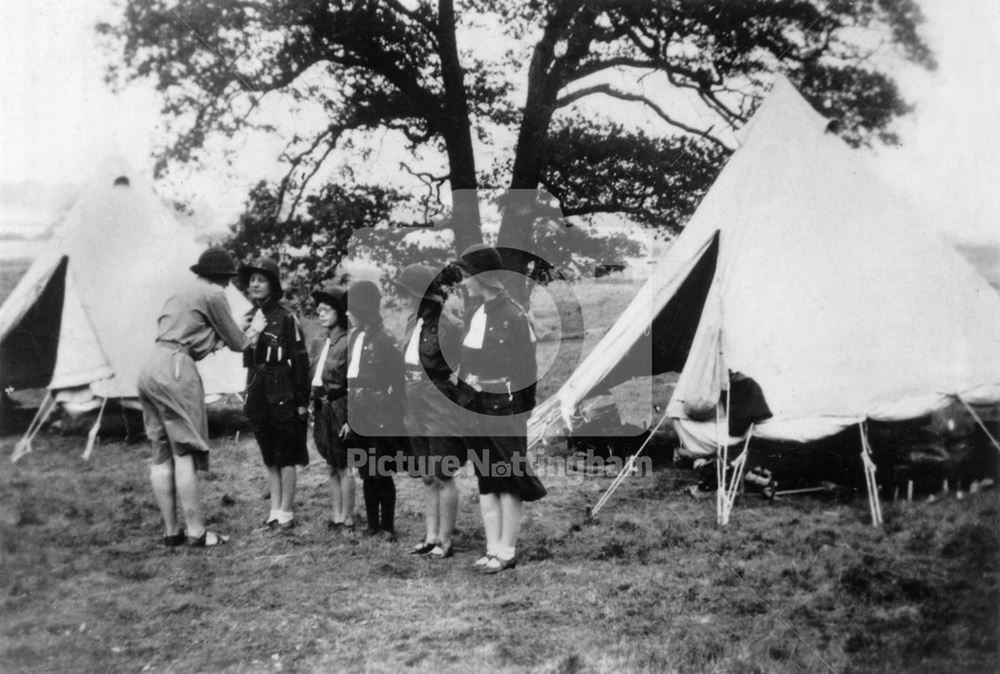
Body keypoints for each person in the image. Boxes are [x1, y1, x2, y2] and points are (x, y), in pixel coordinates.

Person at [137, 247, 255, 547]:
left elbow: (196, 339)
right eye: (229, 279)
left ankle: (171, 531)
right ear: (223, 277)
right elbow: (239, 344)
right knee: (185, 450)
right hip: (177, 367)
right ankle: (196, 531)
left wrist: (223, 336)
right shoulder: (215, 294)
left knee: (160, 452)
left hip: (151, 364)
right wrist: (250, 332)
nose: (229, 285)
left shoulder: (182, 292)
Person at [455, 244, 547, 574]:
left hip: (505, 408)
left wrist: (521, 413)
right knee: (486, 478)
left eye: (466, 276)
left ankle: (507, 550)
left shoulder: (515, 318)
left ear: (483, 277)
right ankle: (492, 547)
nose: (463, 282)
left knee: (508, 478)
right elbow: (465, 365)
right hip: (476, 408)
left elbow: (528, 373)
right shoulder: (474, 314)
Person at [394, 264, 465, 559]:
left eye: (410, 293)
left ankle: (445, 540)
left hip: (438, 397)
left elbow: (459, 362)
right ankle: (431, 535)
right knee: (426, 473)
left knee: (442, 473)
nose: (406, 299)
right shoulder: (413, 321)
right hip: (413, 399)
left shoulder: (449, 323)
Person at [240, 257, 311, 530]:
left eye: (261, 280)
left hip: (283, 392)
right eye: (252, 280)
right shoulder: (249, 317)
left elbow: (301, 361)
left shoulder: (285, 317)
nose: (255, 285)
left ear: (273, 284)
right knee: (269, 454)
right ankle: (274, 508)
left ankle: (287, 511)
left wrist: (302, 401)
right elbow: (247, 359)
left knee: (287, 453)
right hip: (257, 391)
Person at [344, 280, 408, 541]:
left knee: (382, 472)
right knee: (366, 473)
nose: (347, 314)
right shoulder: (356, 337)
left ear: (364, 309)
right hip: (360, 415)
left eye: (351, 309)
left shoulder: (386, 339)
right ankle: (371, 524)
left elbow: (397, 381)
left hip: (381, 417)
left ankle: (388, 526)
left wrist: (391, 413)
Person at [309, 284, 356, 533]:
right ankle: (336, 515)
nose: (321, 312)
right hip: (322, 408)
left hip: (341, 406)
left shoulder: (348, 343)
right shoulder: (321, 343)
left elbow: (354, 383)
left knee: (344, 464)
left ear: (340, 312)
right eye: (319, 309)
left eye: (327, 309)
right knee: (330, 463)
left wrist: (351, 418)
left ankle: (347, 517)